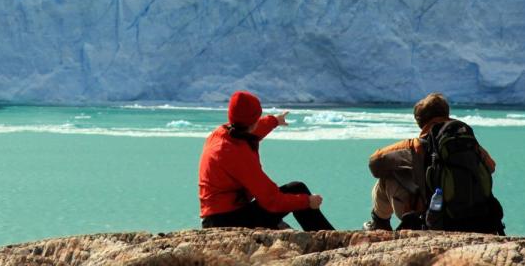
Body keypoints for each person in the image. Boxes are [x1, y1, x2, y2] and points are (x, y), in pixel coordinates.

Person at [364, 92, 504, 234]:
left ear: (420, 121)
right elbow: (491, 167)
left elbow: (374, 163)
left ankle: (379, 224)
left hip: (433, 219)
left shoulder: (415, 146)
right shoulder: (468, 142)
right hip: (478, 219)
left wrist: (410, 171)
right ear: (447, 113)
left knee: (387, 178)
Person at [199, 90, 335, 230]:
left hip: (217, 216)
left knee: (293, 193)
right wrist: (307, 201)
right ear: (253, 121)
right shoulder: (235, 153)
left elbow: (255, 130)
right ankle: (334, 242)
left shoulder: (222, 134)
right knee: (296, 189)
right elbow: (271, 200)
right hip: (226, 222)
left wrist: (274, 120)